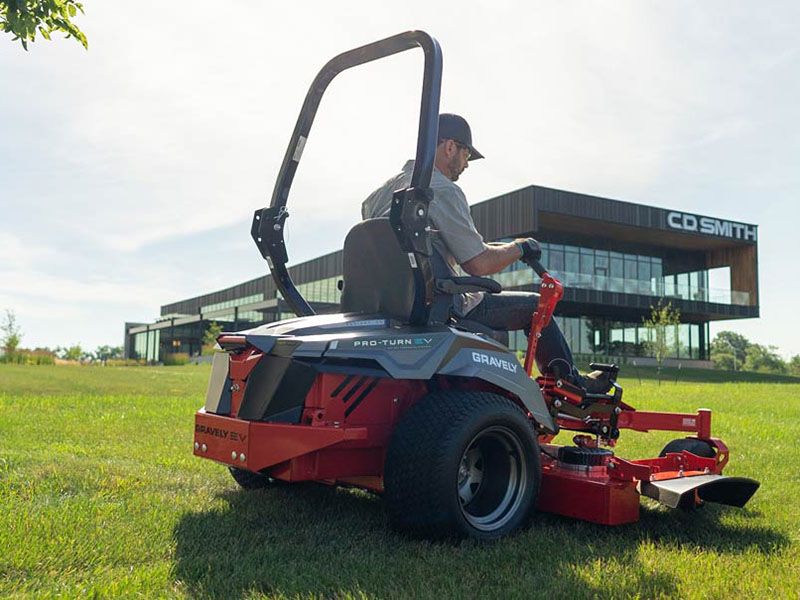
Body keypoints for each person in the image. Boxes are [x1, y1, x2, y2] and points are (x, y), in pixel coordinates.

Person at [362, 113, 610, 394]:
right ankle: (571, 386)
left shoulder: (381, 194)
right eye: (467, 154)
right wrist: (520, 248)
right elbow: (478, 264)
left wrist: (506, 248)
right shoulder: (441, 190)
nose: (466, 164)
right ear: (450, 147)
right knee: (535, 305)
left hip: (391, 305)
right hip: (439, 306)